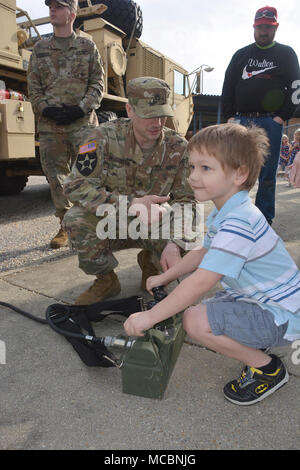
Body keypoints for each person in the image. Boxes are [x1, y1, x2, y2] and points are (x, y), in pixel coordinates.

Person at [124, 123, 300, 406]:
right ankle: (257, 342)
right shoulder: (230, 209)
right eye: (192, 167)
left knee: (195, 321)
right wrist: (168, 275)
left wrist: (150, 316)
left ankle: (268, 369)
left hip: (281, 313)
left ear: (239, 174)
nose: (193, 177)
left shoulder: (239, 222)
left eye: (205, 168)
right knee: (210, 308)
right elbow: (203, 252)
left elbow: (202, 281)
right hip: (266, 301)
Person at [63, 76, 194, 305]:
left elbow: (187, 200)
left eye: (162, 113)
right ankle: (106, 280)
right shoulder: (102, 137)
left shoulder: (179, 147)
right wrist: (130, 204)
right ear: (129, 109)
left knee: (190, 235)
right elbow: (75, 186)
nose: (157, 122)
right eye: (148, 114)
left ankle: (152, 266)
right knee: (75, 220)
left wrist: (176, 244)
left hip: (154, 224)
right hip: (111, 220)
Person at [28, 0, 104, 249]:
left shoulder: (87, 45)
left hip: (81, 123)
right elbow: (33, 86)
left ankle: (89, 224)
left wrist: (80, 109)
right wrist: (45, 109)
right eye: (50, 6)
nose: (52, 10)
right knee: (56, 176)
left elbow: (97, 84)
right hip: (51, 125)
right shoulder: (39, 49)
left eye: (58, 6)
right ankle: (66, 225)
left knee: (87, 174)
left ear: (71, 14)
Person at [221, 6, 300, 225]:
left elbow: (296, 88)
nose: (263, 32)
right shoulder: (241, 54)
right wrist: (229, 117)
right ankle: (235, 217)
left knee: (267, 175)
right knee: (234, 170)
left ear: (275, 28)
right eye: (259, 27)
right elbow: (227, 87)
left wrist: (282, 117)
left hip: (270, 121)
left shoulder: (286, 54)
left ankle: (263, 220)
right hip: (240, 121)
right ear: (254, 27)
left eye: (268, 27)